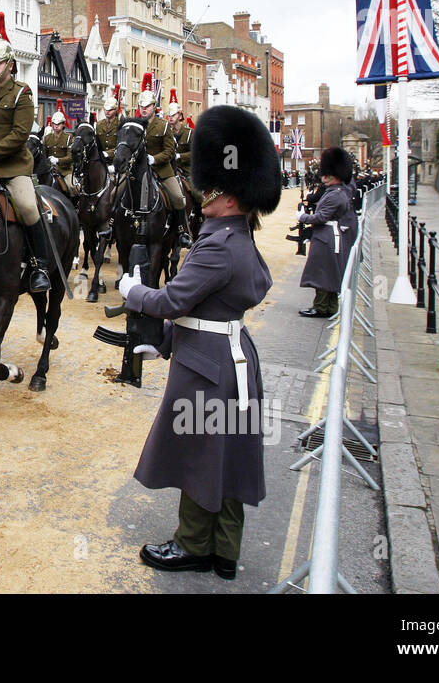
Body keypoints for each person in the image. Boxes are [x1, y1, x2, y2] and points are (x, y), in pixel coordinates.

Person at [117, 105, 281, 580]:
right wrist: (163, 343)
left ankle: (192, 546)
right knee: (228, 452)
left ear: (231, 198)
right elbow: (207, 309)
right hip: (230, 355)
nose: (202, 193)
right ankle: (224, 550)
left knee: (199, 453)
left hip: (207, 366)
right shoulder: (239, 241)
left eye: (213, 188)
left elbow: (172, 299)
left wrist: (133, 293)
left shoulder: (216, 245)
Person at [0, 11, 50, 292]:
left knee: (29, 208)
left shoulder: (22, 93)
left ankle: (39, 265)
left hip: (13, 167)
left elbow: (19, 136)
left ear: (9, 65)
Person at [297, 147, 358, 317]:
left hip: (327, 235)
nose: (323, 177)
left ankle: (321, 307)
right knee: (330, 271)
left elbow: (321, 217)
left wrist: (302, 217)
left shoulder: (334, 194)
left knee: (322, 271)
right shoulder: (338, 191)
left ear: (334, 175)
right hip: (331, 234)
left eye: (326, 174)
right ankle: (330, 306)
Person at [133, 91, 189, 247]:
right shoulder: (135, 125)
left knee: (178, 197)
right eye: (141, 106)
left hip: (161, 170)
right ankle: (112, 226)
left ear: (154, 107)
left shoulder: (163, 126)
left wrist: (154, 159)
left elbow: (170, 151)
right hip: (139, 171)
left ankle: (180, 230)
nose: (144, 109)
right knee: (115, 193)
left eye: (148, 106)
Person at [42, 110, 74, 190]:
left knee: (72, 187)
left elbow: (71, 157)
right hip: (50, 169)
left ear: (63, 124)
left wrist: (58, 160)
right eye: (54, 124)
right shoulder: (47, 138)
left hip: (65, 170)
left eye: (58, 124)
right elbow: (44, 155)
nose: (56, 126)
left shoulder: (68, 138)